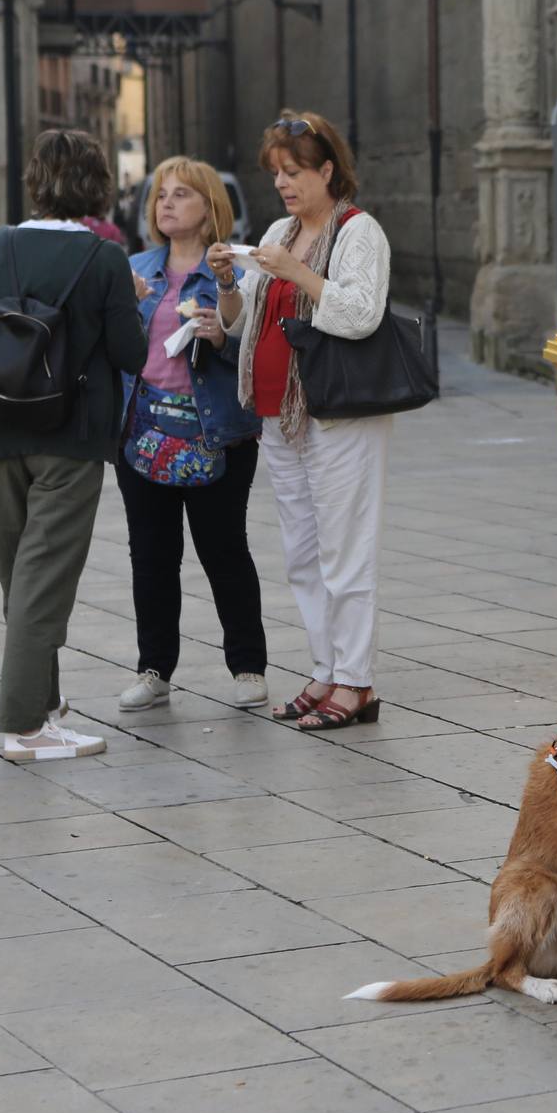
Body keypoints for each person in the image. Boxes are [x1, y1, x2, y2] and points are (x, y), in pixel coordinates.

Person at [0, 129, 146, 761]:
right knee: (42, 582)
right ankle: (25, 728)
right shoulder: (104, 258)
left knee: (21, 580)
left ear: (35, 181)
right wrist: (133, 303)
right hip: (71, 436)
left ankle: (47, 704)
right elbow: (131, 354)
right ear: (96, 186)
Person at [211, 111, 391, 732]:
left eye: (294, 172)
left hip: (337, 412)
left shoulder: (360, 232)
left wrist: (298, 273)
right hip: (277, 414)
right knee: (303, 554)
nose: (283, 184)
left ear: (327, 170)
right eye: (277, 174)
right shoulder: (281, 230)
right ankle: (326, 668)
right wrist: (230, 282)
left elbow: (361, 315)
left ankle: (357, 680)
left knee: (345, 551)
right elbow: (241, 323)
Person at [115, 157, 269, 712]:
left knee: (224, 551)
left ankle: (248, 666)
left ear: (209, 207)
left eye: (181, 194)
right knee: (151, 557)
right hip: (144, 432)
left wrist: (220, 324)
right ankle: (154, 669)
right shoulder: (137, 269)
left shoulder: (235, 269)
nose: (166, 203)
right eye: (161, 195)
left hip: (215, 432)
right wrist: (126, 303)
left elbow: (240, 333)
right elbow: (115, 349)